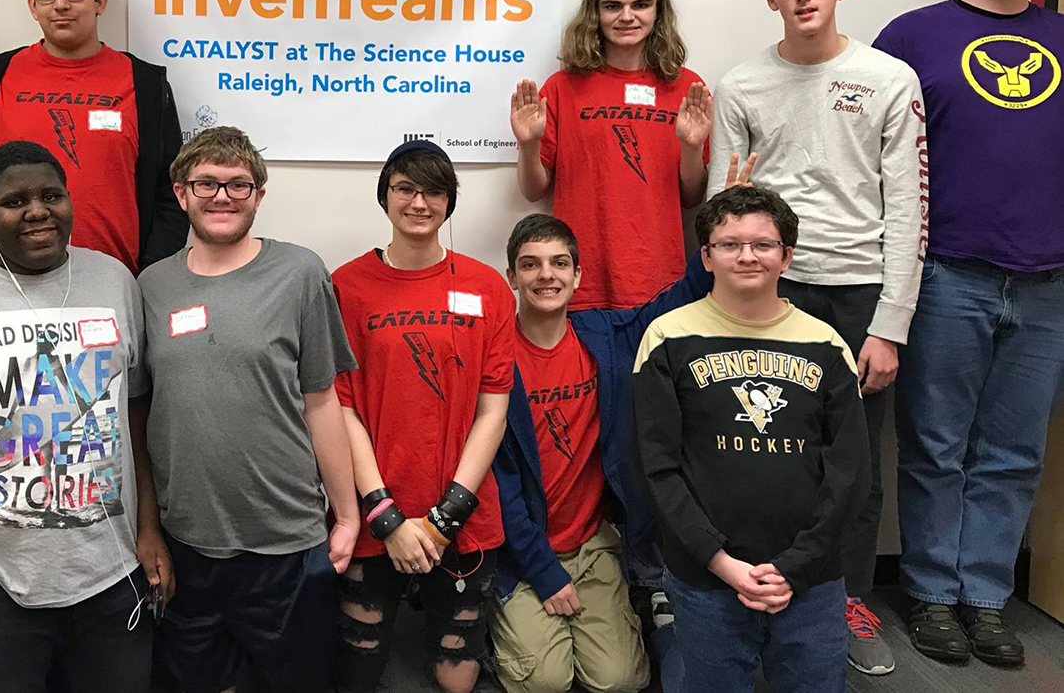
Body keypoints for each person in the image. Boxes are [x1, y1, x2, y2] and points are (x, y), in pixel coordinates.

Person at [704, 0, 925, 676]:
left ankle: (847, 601)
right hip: (771, 289)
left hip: (858, 293)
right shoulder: (740, 84)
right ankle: (757, 599)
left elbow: (908, 208)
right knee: (761, 452)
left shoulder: (890, 77)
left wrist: (890, 324)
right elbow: (721, 206)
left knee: (851, 461)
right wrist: (728, 296)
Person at [873, 0, 1064, 668]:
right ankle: (930, 592)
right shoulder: (913, 36)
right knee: (937, 445)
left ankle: (987, 596)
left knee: (1015, 451)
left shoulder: (1061, 36)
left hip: (1048, 279)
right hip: (948, 271)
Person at [490, 154, 752, 693]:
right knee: (545, 682)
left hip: (595, 542)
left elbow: (682, 294)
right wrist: (541, 570)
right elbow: (498, 481)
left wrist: (724, 217)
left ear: (578, 274)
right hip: (522, 546)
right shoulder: (495, 355)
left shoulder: (607, 337)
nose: (547, 276)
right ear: (511, 274)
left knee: (620, 682)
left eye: (560, 263)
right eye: (532, 264)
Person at [0, 141, 152, 693]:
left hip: (111, 571)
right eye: (15, 201)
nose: (37, 211)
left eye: (51, 196)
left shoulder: (114, 281)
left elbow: (136, 417)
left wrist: (150, 531)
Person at [134, 126, 359, 693]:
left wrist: (348, 515)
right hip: (188, 539)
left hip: (285, 538)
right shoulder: (150, 286)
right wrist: (147, 525)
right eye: (206, 183)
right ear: (181, 193)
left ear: (259, 194)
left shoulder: (300, 273)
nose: (222, 197)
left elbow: (323, 401)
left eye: (238, 185)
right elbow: (139, 412)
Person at [633, 184, 870, 693]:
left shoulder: (826, 344)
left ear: (786, 255)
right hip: (706, 576)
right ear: (706, 256)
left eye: (763, 244)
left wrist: (796, 566)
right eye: (729, 243)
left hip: (812, 579)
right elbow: (656, 467)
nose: (747, 255)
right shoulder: (666, 337)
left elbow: (849, 472)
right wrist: (719, 562)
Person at [332, 140, 512, 693]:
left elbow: (493, 410)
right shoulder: (346, 286)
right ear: (385, 195)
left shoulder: (486, 288)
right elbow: (341, 408)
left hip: (461, 517)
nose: (419, 202)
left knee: (456, 679)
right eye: (405, 188)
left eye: (434, 191)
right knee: (359, 669)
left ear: (450, 201)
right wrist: (385, 517)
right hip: (372, 515)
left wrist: (443, 519)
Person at [0, 0, 186, 274]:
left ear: (99, 0)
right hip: (10, 283)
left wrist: (150, 276)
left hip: (118, 279)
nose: (60, 4)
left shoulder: (145, 82)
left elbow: (171, 190)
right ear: (33, 5)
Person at [510, 0, 711, 311]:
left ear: (658, 11)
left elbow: (692, 197)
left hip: (659, 279)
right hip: (580, 281)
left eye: (641, 4)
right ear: (595, 13)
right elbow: (532, 191)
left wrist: (692, 147)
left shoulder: (686, 87)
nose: (627, 16)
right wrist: (528, 145)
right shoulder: (561, 87)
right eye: (613, 6)